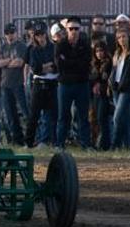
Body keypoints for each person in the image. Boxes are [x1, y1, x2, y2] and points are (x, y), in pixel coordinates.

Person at [55, 17, 92, 149]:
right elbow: (60, 65)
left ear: (80, 29)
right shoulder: (61, 45)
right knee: (63, 116)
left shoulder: (85, 44)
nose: (74, 31)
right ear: (67, 30)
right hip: (65, 85)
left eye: (76, 28)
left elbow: (85, 65)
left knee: (83, 116)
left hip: (82, 84)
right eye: (71, 29)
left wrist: (69, 62)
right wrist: (75, 63)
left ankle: (86, 145)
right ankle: (59, 144)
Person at [25, 23, 58, 147]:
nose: (40, 37)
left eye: (42, 34)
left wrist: (45, 67)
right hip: (38, 83)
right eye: (37, 35)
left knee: (54, 114)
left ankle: (54, 142)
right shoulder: (33, 50)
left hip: (53, 83)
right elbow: (35, 68)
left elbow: (56, 66)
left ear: (46, 34)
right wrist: (46, 66)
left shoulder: (54, 47)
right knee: (34, 115)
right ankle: (28, 142)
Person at [0, 23, 28, 145]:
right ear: (5, 34)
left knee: (25, 112)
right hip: (5, 85)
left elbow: (19, 63)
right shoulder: (2, 48)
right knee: (10, 114)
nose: (10, 35)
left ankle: (30, 138)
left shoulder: (21, 46)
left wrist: (5, 63)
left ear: (16, 33)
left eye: (12, 32)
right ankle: (16, 139)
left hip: (19, 83)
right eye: (8, 33)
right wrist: (9, 61)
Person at [89, 41, 113, 150]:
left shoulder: (108, 62)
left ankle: (105, 144)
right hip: (95, 95)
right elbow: (92, 77)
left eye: (101, 51)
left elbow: (103, 77)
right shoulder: (94, 63)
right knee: (94, 119)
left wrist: (96, 78)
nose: (99, 53)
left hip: (105, 94)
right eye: (97, 51)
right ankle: (95, 142)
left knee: (102, 118)